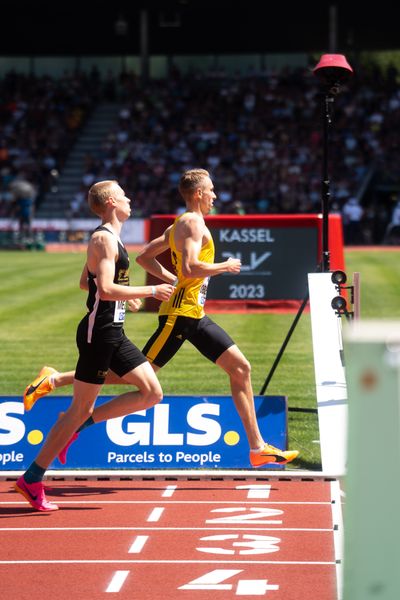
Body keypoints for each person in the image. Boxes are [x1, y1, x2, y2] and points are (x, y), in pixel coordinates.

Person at [23, 169, 298, 475]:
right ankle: (66, 400)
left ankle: (257, 448)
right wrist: (223, 266)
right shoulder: (191, 222)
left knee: (240, 368)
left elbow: (144, 258)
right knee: (140, 380)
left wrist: (172, 278)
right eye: (211, 191)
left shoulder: (179, 225)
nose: (214, 197)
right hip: (179, 317)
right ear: (198, 194)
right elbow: (192, 267)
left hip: (195, 315)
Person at [15, 180, 174, 512]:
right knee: (79, 409)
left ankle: (71, 414)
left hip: (114, 330)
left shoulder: (112, 240)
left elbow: (85, 282)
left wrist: (122, 300)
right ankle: (32, 477)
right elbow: (103, 286)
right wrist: (147, 292)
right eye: (126, 195)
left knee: (151, 393)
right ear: (113, 201)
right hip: (98, 333)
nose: (131, 199)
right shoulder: (103, 238)